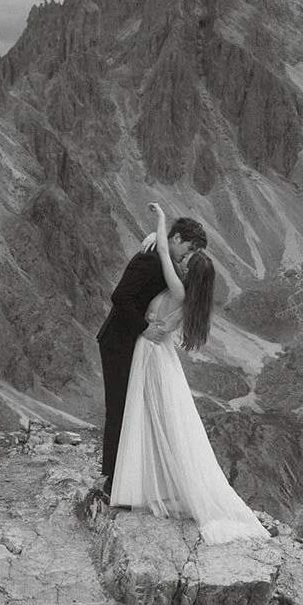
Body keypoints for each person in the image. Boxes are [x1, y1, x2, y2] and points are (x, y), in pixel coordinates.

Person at [110, 203, 268, 545]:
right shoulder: (189, 295)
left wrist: (160, 222)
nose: (182, 261)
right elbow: (168, 254)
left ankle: (135, 485)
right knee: (158, 420)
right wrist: (158, 233)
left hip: (149, 353)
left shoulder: (179, 290)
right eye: (187, 256)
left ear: (190, 273)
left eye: (187, 261)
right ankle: (152, 483)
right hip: (157, 353)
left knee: (142, 416)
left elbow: (166, 254)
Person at [96, 211, 207, 498]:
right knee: (119, 409)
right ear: (178, 239)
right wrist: (144, 328)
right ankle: (111, 480)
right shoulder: (149, 259)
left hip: (134, 343)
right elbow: (120, 297)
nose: (187, 256)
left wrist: (158, 239)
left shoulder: (164, 260)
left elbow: (174, 276)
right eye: (189, 248)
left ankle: (125, 477)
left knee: (132, 408)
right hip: (118, 341)